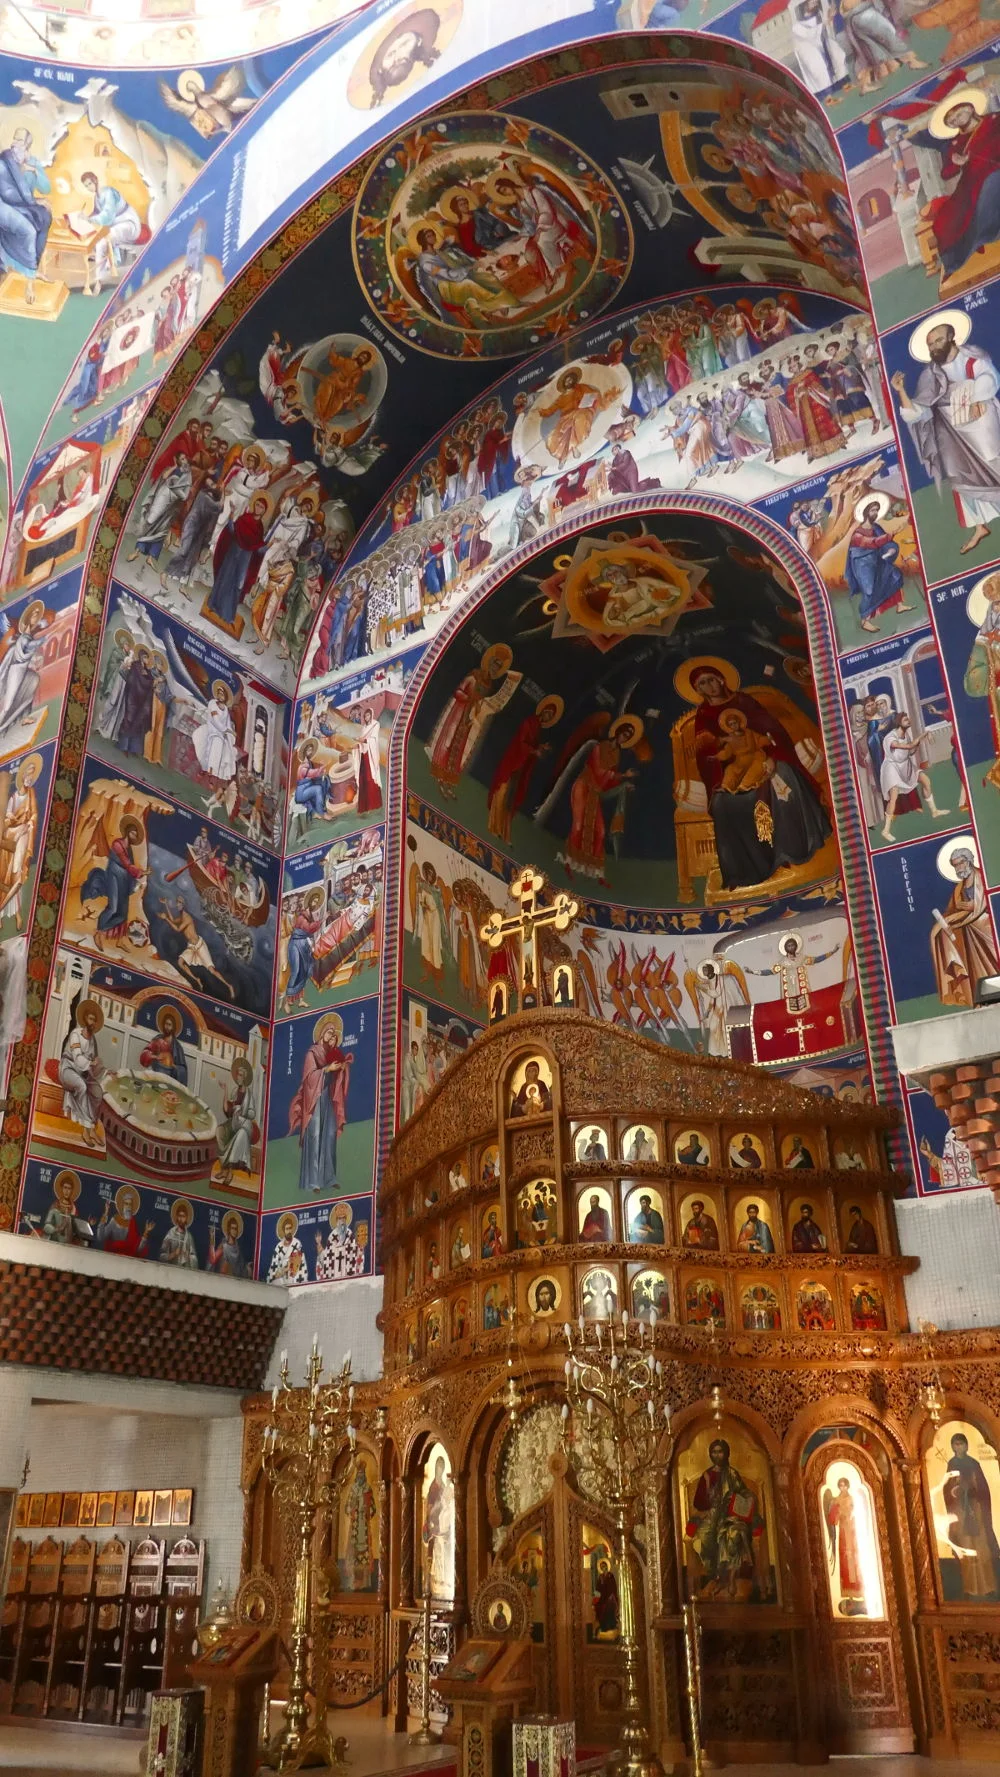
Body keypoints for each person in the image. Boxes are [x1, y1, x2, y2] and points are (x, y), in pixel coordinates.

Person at [892, 320, 1000, 559]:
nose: (934, 347)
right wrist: (901, 392)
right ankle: (979, 526)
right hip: (951, 434)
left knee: (994, 463)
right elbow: (919, 411)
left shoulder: (972, 358)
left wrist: (974, 396)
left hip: (982, 424)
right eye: (930, 344)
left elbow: (990, 378)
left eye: (938, 340)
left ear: (951, 337)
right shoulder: (930, 375)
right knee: (960, 477)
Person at [686, 1438, 767, 1601]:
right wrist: (710, 1499)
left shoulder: (732, 1474)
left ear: (726, 1453)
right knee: (702, 1538)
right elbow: (698, 1503)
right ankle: (715, 1577)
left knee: (732, 1534)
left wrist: (744, 1498)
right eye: (714, 1452)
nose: (717, 1455)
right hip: (712, 1515)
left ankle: (729, 1579)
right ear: (710, 1454)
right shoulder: (707, 1476)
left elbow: (743, 1493)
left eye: (720, 1452)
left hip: (732, 1516)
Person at [288, 1013, 353, 1195]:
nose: (331, 1035)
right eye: (329, 1032)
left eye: (334, 1034)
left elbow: (336, 1077)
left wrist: (341, 1069)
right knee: (315, 1135)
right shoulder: (312, 1053)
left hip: (327, 1097)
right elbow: (309, 1078)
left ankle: (329, 1177)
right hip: (314, 1099)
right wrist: (326, 1069)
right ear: (322, 1032)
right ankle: (313, 1180)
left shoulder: (331, 1052)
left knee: (330, 1135)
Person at [931, 846, 999, 1008]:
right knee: (975, 966)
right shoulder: (959, 888)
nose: (958, 868)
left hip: (984, 927)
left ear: (969, 861)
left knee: (994, 957)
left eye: (960, 863)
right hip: (969, 933)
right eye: (955, 865)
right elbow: (952, 911)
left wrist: (972, 907)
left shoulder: (980, 876)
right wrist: (948, 921)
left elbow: (983, 903)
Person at [943, 1432, 1000, 1599]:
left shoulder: (974, 1463)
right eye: (956, 1444)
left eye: (961, 1443)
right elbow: (947, 1489)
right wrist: (956, 1490)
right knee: (966, 1547)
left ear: (966, 1445)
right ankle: (970, 1588)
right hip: (960, 1512)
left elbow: (983, 1489)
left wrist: (972, 1489)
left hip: (976, 1511)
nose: (959, 1447)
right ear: (952, 1446)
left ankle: (988, 1586)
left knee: (982, 1548)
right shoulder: (951, 1464)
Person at [0, 128, 52, 302]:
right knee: (28, 231)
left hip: (24, 206)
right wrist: (34, 201)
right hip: (4, 204)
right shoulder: (5, 162)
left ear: (27, 145)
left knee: (45, 217)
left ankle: (32, 268)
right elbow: (7, 193)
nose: (14, 143)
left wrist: (35, 170)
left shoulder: (33, 162)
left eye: (20, 140)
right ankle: (29, 283)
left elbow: (46, 189)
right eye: (14, 139)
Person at [879, 715, 949, 841]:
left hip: (905, 766)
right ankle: (886, 830)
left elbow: (910, 752)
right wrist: (923, 735)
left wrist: (919, 742)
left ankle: (934, 811)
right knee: (893, 797)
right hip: (892, 768)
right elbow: (907, 746)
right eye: (905, 720)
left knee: (926, 780)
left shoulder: (906, 735)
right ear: (899, 723)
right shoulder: (890, 737)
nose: (909, 721)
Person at [846, 500, 912, 634]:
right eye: (872, 510)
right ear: (866, 513)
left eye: (877, 510)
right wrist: (891, 535)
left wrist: (890, 550)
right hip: (862, 564)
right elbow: (872, 543)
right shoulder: (858, 533)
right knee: (869, 591)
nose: (875, 513)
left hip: (877, 560)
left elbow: (885, 543)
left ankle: (899, 605)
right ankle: (865, 621)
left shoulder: (876, 528)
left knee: (894, 574)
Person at [79, 170, 142, 288]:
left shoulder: (108, 193)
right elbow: (96, 214)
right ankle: (105, 269)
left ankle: (99, 279)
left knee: (102, 243)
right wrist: (84, 217)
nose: (89, 187)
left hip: (128, 223)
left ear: (95, 180)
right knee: (95, 239)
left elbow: (107, 217)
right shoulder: (97, 197)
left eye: (90, 183)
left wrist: (89, 219)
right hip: (116, 226)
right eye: (86, 186)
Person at [0, 752, 40, 930]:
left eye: (33, 775)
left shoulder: (31, 794)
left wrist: (30, 823)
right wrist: (10, 817)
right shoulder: (14, 797)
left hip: (22, 836)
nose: (30, 778)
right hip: (10, 836)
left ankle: (16, 914)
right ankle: (1, 915)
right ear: (22, 776)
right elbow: (7, 814)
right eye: (28, 774)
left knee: (18, 874)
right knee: (4, 876)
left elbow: (34, 814)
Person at [823, 1476, 867, 1613]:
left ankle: (861, 1592)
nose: (843, 1487)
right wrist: (837, 1514)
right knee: (845, 1560)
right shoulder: (836, 1500)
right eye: (840, 1485)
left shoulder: (852, 1499)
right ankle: (849, 1596)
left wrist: (851, 1515)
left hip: (853, 1531)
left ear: (847, 1486)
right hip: (843, 1531)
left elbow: (857, 1513)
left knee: (856, 1559)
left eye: (844, 1485)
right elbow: (833, 1519)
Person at [138, 1007, 188, 1083]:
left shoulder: (177, 1047)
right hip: (155, 1075)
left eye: (169, 1025)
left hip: (169, 1080)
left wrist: (174, 1066)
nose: (167, 1027)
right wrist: (154, 1057)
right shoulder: (157, 1039)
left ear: (173, 1027)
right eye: (166, 1024)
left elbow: (183, 1070)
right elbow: (146, 1052)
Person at [159, 1199, 198, 1269]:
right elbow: (161, 1256)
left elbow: (195, 1259)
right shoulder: (171, 1234)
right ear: (176, 1216)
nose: (181, 1219)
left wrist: (188, 1256)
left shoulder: (189, 1237)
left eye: (183, 1216)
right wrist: (173, 1254)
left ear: (186, 1218)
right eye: (179, 1216)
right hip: (171, 1270)